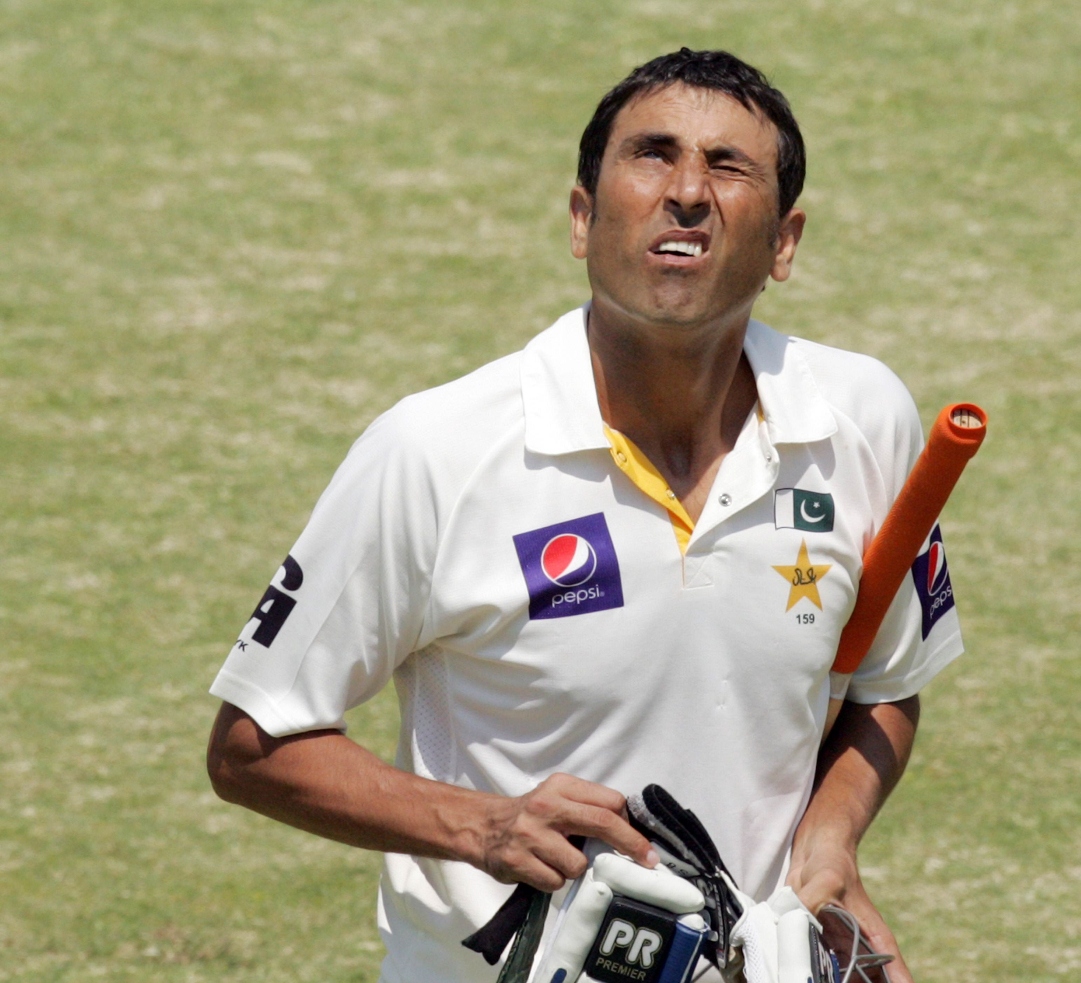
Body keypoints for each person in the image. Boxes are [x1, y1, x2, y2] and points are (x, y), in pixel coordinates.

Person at [207, 48, 962, 983]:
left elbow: (884, 683)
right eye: (651, 155)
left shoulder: (863, 419)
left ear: (784, 243)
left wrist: (832, 839)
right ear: (581, 217)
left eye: (729, 167)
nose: (687, 191)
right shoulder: (434, 451)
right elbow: (252, 745)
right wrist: (485, 826)